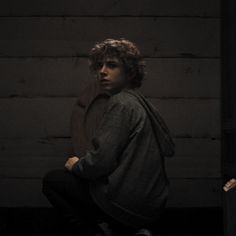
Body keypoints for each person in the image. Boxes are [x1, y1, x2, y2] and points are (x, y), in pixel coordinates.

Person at [42, 38, 175, 236]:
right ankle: (127, 230)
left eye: (111, 65)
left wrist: (76, 166)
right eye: (100, 65)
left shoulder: (121, 103)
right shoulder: (141, 103)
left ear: (130, 72)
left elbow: (99, 162)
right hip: (151, 207)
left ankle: (98, 232)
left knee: (52, 181)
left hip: (127, 205)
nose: (102, 71)